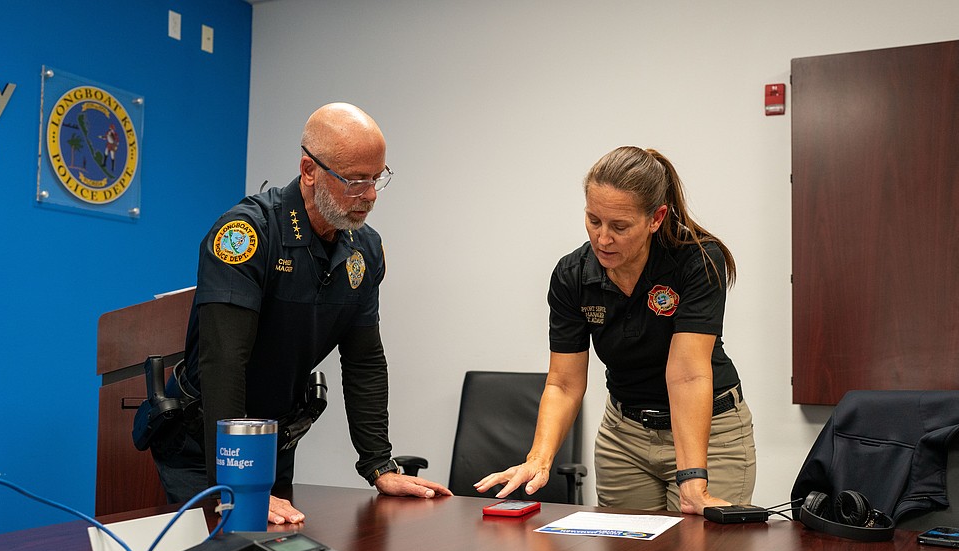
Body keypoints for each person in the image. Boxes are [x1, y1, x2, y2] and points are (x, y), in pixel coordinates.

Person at [149, 102, 451, 524]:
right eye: (355, 180)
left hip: (274, 441)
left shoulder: (365, 250)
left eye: (377, 177)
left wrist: (379, 465)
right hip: (205, 448)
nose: (370, 195)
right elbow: (224, 363)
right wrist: (237, 484)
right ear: (309, 170)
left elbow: (364, 361)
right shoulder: (247, 234)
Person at [475, 146, 756, 515]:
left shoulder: (697, 261)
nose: (603, 239)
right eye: (593, 220)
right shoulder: (573, 275)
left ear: (656, 218)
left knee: (696, 549)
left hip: (708, 434)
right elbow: (564, 383)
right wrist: (538, 458)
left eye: (619, 227)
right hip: (624, 438)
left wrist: (692, 480)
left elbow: (687, 375)